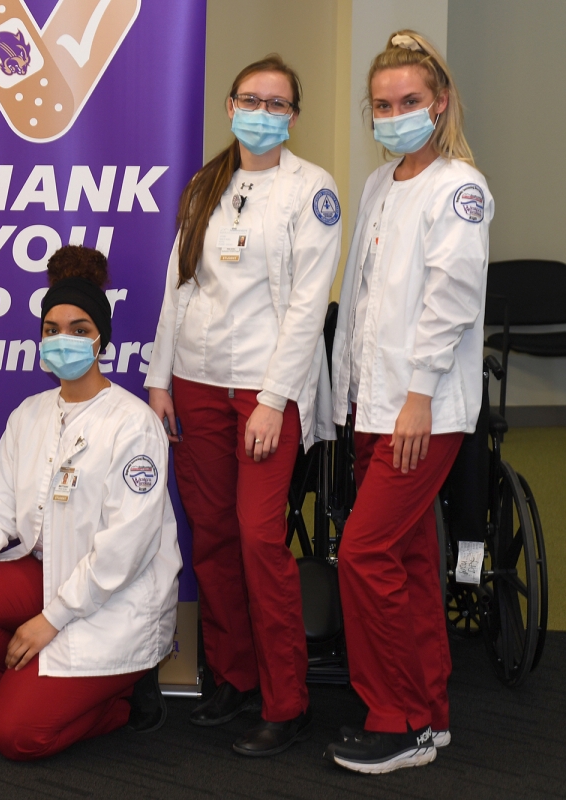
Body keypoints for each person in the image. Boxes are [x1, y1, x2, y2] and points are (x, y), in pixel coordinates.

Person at [144, 55, 340, 756]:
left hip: (265, 392)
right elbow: (178, 286)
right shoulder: (206, 183)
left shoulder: (311, 189)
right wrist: (159, 378)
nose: (263, 111)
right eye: (251, 99)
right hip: (194, 386)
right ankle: (232, 679)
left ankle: (288, 701)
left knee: (260, 538)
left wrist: (271, 400)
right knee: (215, 535)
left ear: (294, 115)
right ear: (229, 107)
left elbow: (305, 306)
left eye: (278, 103)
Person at [0, 246, 181, 761]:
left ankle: (118, 700)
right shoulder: (30, 414)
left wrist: (51, 621)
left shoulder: (133, 425)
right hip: (45, 576)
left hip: (115, 600)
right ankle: (35, 687)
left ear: (100, 339)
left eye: (79, 329)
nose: (63, 339)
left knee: (17, 737)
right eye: (51, 328)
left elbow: (122, 553)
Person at [322, 30, 492, 774]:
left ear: (441, 101)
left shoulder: (460, 186)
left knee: (362, 553)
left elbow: (450, 300)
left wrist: (419, 393)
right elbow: (360, 300)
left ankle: (398, 721)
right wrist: (347, 394)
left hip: (423, 407)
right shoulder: (379, 184)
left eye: (410, 102)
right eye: (383, 105)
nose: (395, 116)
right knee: (412, 557)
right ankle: (433, 709)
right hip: (374, 402)